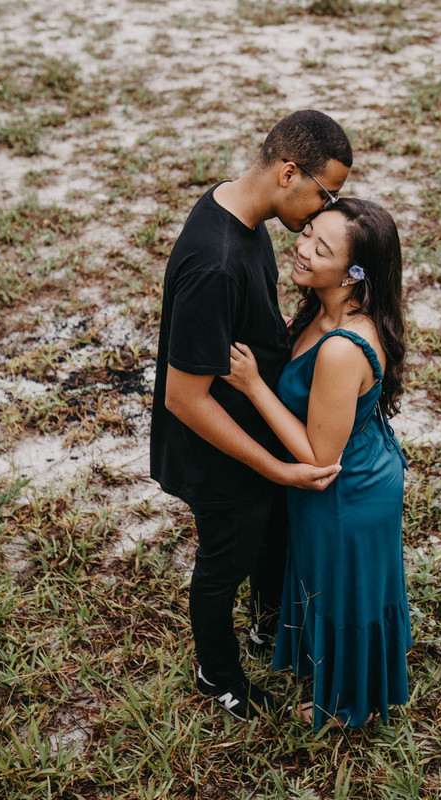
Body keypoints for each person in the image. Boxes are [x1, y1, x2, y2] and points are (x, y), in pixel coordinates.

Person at [149, 110, 351, 722]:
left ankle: (270, 634)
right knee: (225, 561)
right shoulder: (216, 262)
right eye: (326, 193)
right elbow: (183, 397)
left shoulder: (240, 213)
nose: (324, 210)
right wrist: (275, 468)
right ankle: (219, 674)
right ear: (290, 173)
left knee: (270, 538)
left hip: (253, 426)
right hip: (220, 453)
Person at [222, 197, 411, 731]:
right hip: (349, 468)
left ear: (354, 276)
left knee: (345, 593)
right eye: (307, 232)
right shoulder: (323, 311)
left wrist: (255, 385)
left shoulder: (342, 347)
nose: (300, 247)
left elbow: (318, 457)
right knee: (328, 583)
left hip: (346, 487)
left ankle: (348, 704)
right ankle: (338, 680)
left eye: (319, 248)